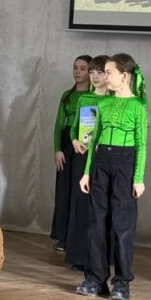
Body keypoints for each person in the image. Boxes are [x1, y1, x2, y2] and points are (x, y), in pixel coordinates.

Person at [77, 54, 147, 300]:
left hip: (125, 163)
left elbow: (141, 144)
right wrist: (87, 172)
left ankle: (122, 281)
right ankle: (95, 278)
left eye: (109, 72)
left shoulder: (138, 107)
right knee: (96, 222)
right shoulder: (104, 103)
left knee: (122, 225)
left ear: (124, 76)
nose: (105, 77)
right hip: (101, 161)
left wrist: (138, 177)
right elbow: (94, 139)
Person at [66, 55, 109, 272]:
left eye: (99, 72)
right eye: (91, 72)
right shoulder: (85, 99)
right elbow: (74, 128)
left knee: (99, 208)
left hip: (102, 157)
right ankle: (79, 255)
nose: (94, 76)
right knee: (80, 205)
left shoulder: (112, 101)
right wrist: (75, 141)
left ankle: (99, 257)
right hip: (82, 156)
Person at [51, 57, 92, 252]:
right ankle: (63, 236)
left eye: (83, 68)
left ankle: (79, 237)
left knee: (79, 191)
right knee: (63, 190)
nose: (78, 72)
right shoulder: (67, 95)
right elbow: (59, 124)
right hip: (67, 144)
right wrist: (57, 149)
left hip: (85, 143)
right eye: (75, 68)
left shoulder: (95, 96)